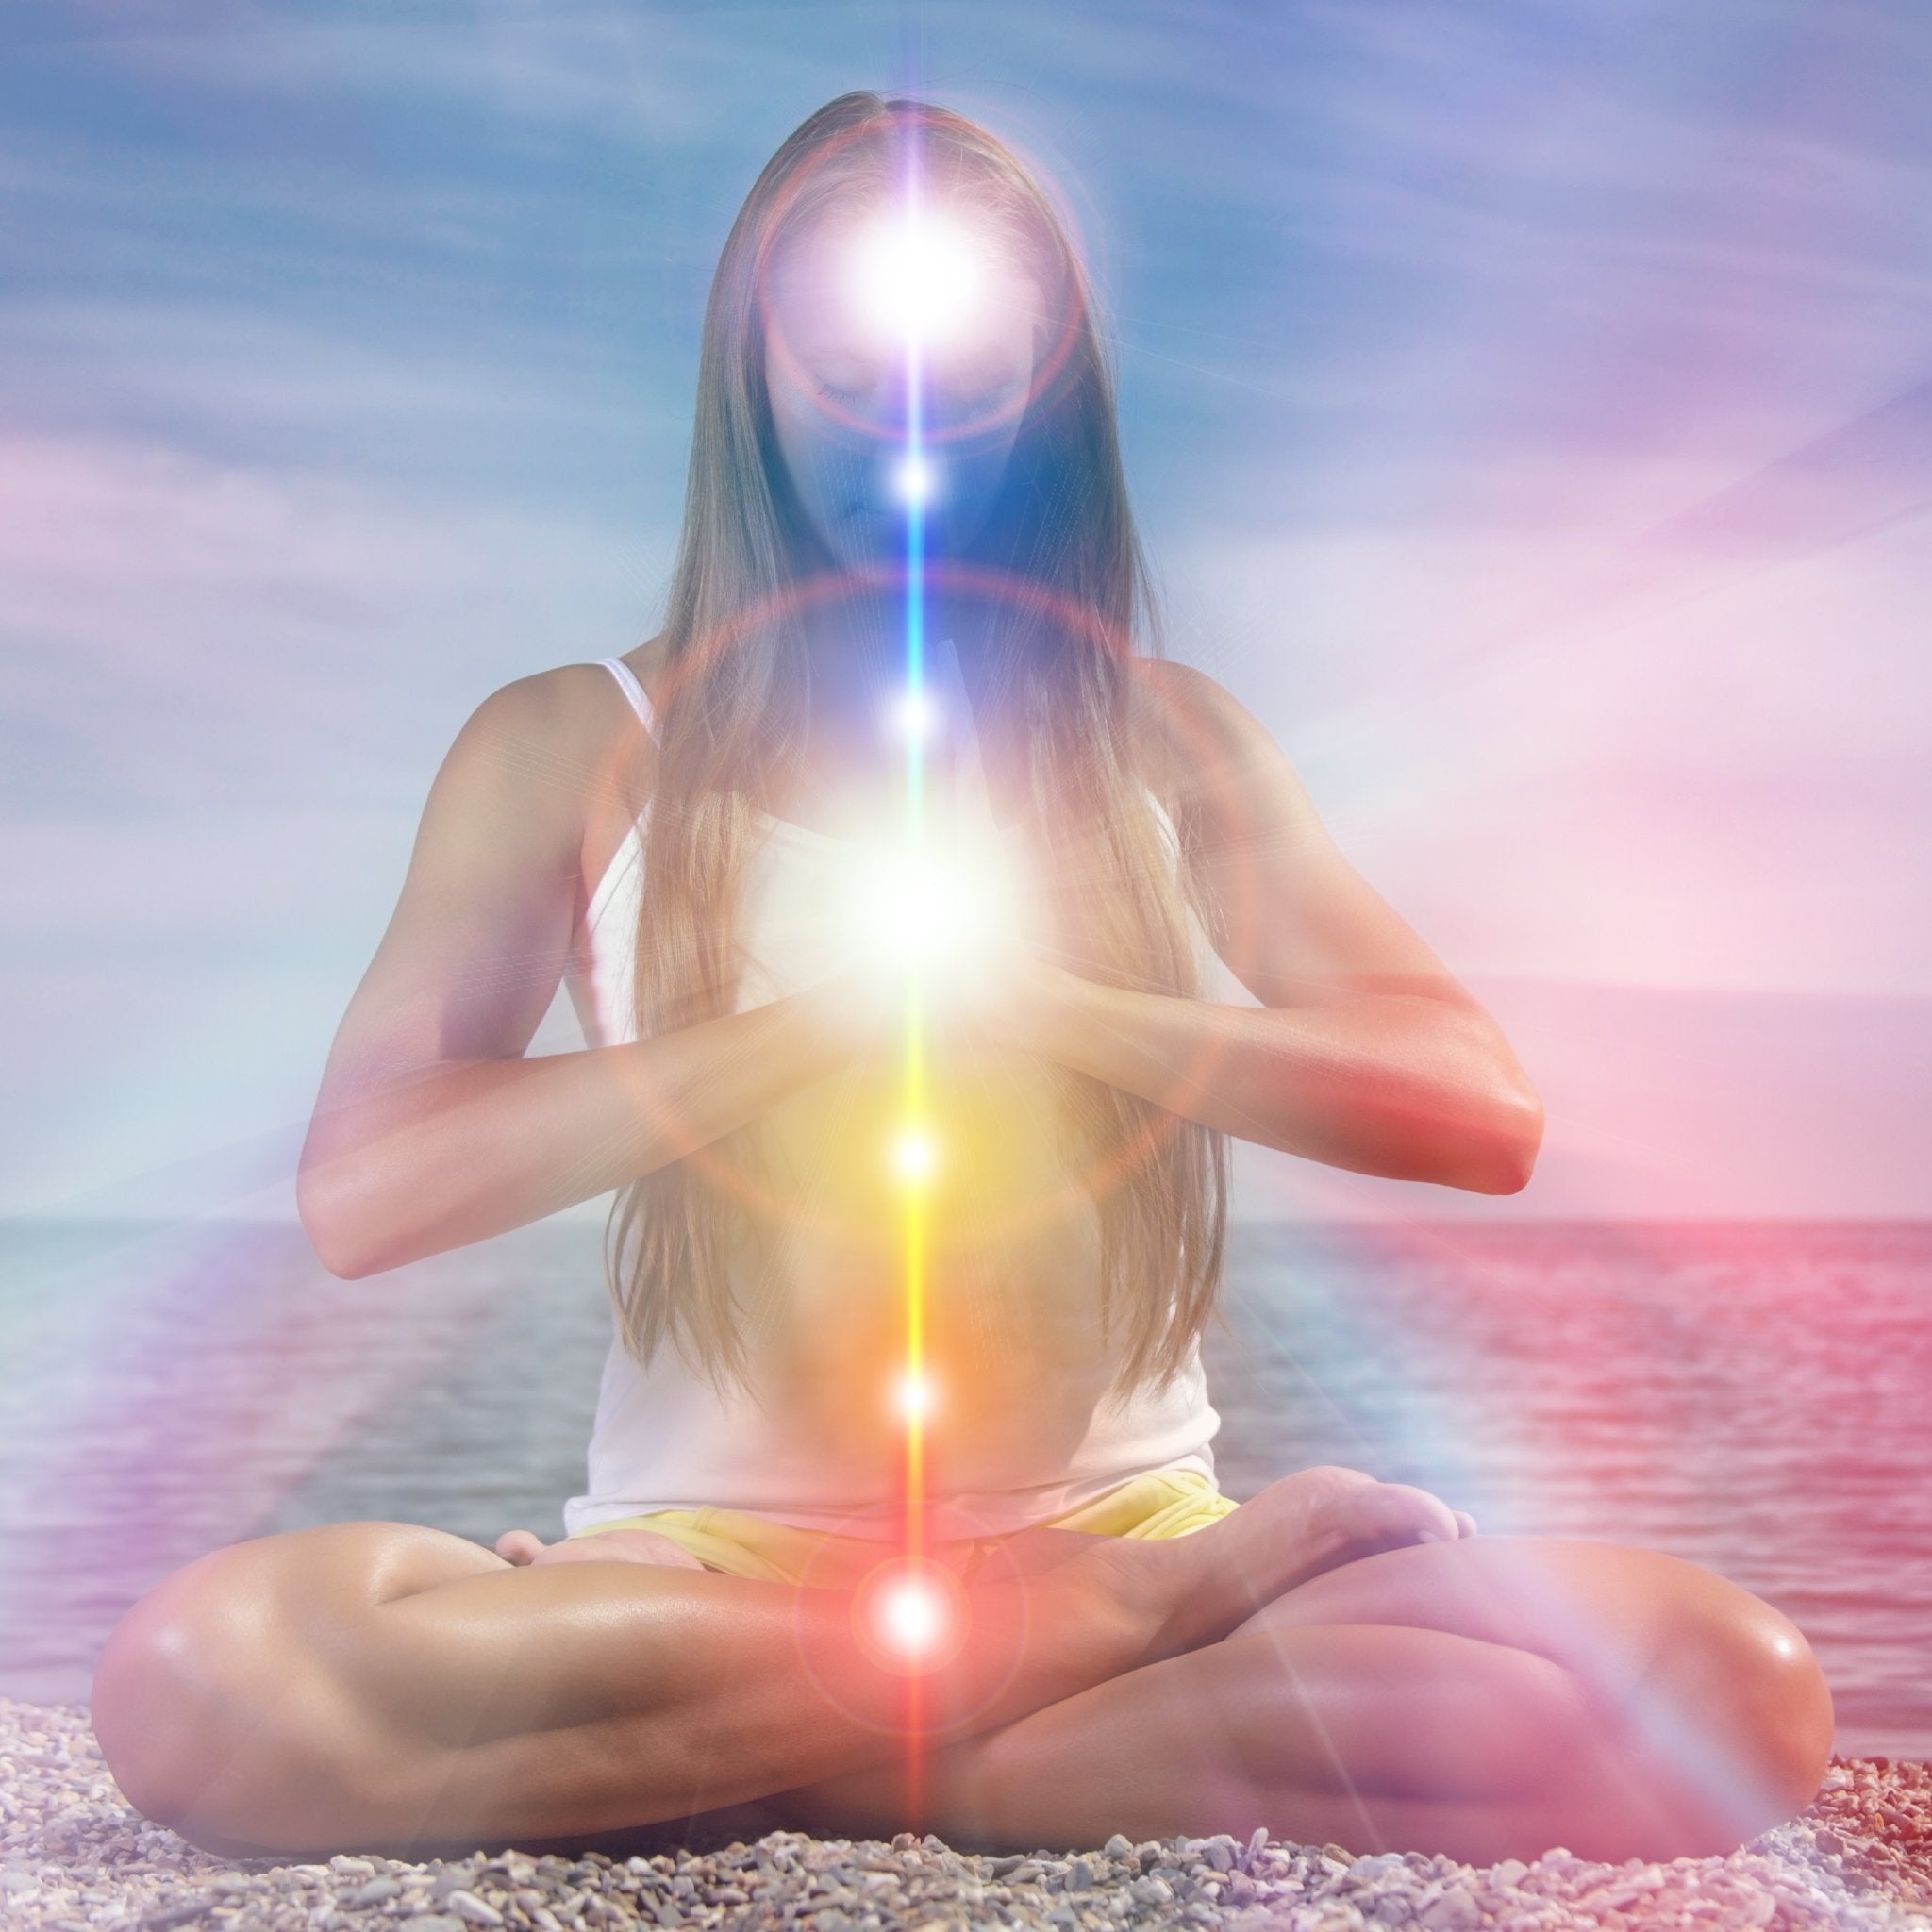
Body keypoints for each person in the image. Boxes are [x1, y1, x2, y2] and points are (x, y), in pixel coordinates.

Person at [87, 92, 1832, 1868]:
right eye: (846, 373)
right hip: (722, 1571)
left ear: (1049, 390)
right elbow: (369, 1190)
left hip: (1128, 1522)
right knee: (204, 1679)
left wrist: (1061, 1008)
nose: (902, 433)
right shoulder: (568, 744)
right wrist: (808, 1032)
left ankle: (753, 1752)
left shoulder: (1169, 742)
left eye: (964, 380)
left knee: (1727, 1686)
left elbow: (1479, 1110)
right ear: (748, 374)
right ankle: (1060, 1680)